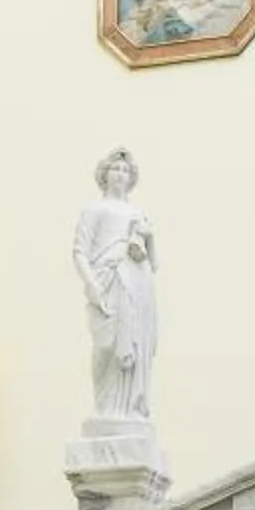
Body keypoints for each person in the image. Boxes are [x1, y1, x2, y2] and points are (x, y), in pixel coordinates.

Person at [74, 147, 158, 427]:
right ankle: (104, 409)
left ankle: (131, 410)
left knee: (135, 349)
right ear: (105, 174)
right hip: (106, 280)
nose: (121, 174)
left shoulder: (138, 214)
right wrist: (91, 284)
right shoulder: (94, 210)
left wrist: (149, 237)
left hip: (137, 283)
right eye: (116, 169)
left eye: (125, 170)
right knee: (106, 347)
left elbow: (154, 263)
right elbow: (80, 252)